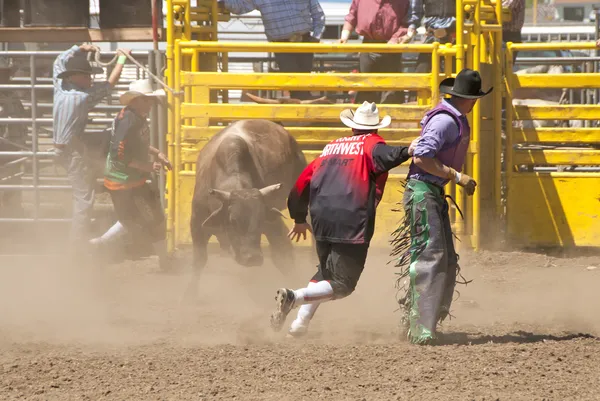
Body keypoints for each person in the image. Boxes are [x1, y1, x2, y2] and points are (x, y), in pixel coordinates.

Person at [269, 101, 419, 337]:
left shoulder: (330, 148)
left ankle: (298, 326)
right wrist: (408, 151)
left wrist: (298, 217)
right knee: (343, 284)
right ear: (376, 129)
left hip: (320, 217)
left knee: (325, 273)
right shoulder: (372, 144)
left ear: (352, 127)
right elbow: (385, 155)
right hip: (351, 219)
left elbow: (301, 184)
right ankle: (294, 297)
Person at [393, 68, 492, 345]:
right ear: (471, 100)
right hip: (425, 191)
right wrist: (457, 176)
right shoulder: (447, 122)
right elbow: (423, 156)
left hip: (428, 192)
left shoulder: (448, 119)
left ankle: (422, 320)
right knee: (432, 257)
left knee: (441, 257)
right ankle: (420, 327)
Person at [52, 44, 130, 251]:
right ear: (75, 77)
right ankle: (75, 247)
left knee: (84, 191)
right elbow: (108, 86)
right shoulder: (80, 98)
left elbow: (58, 60)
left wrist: (80, 47)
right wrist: (121, 59)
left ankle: (102, 170)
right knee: (84, 200)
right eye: (87, 76)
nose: (90, 80)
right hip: (72, 151)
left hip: (65, 147)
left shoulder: (61, 88)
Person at [89, 79, 172, 270]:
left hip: (125, 179)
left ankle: (97, 245)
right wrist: (147, 167)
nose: (150, 104)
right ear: (135, 100)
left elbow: (133, 145)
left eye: (150, 100)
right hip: (126, 181)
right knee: (153, 218)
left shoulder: (132, 117)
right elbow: (121, 154)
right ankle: (165, 261)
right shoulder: (129, 120)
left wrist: (156, 153)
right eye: (146, 100)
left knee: (131, 219)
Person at [219, 0, 325, 100]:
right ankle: (305, 111)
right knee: (296, 82)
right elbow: (240, 6)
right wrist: (222, 3)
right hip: (284, 45)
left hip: (304, 43)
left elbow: (318, 15)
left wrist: (315, 37)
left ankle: (303, 111)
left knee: (301, 82)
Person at [339, 0, 416, 104]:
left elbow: (406, 23)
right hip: (368, 45)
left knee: (391, 90)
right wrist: (344, 36)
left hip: (392, 47)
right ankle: (365, 117)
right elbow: (352, 16)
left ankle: (390, 117)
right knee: (365, 87)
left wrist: (395, 39)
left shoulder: (403, 2)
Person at [409, 0, 457, 73]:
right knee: (421, 71)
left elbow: (467, 14)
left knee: (454, 72)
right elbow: (415, 12)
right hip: (432, 34)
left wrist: (449, 30)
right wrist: (411, 29)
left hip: (454, 36)